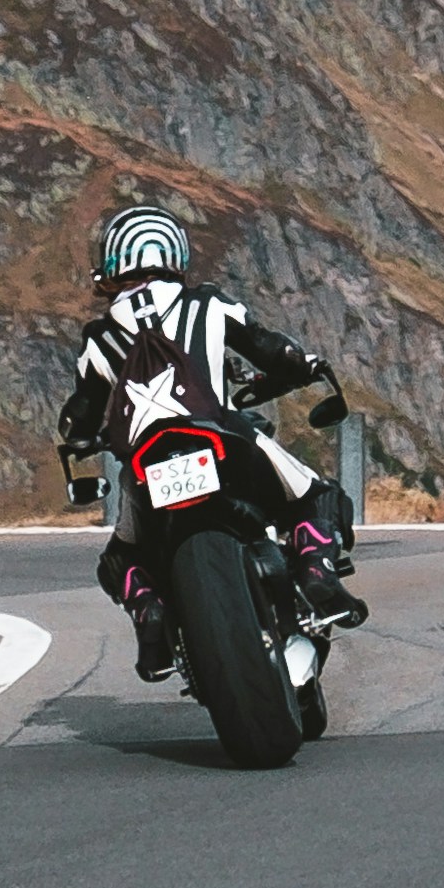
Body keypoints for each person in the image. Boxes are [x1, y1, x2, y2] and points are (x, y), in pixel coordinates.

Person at [51, 203, 366, 661]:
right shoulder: (207, 303)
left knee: (120, 558)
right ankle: (317, 570)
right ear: (174, 256)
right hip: (220, 433)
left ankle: (148, 611)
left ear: (115, 263)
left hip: (144, 460)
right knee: (317, 495)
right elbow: (269, 347)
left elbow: (79, 416)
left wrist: (83, 438)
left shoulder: (99, 338)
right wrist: (306, 366)